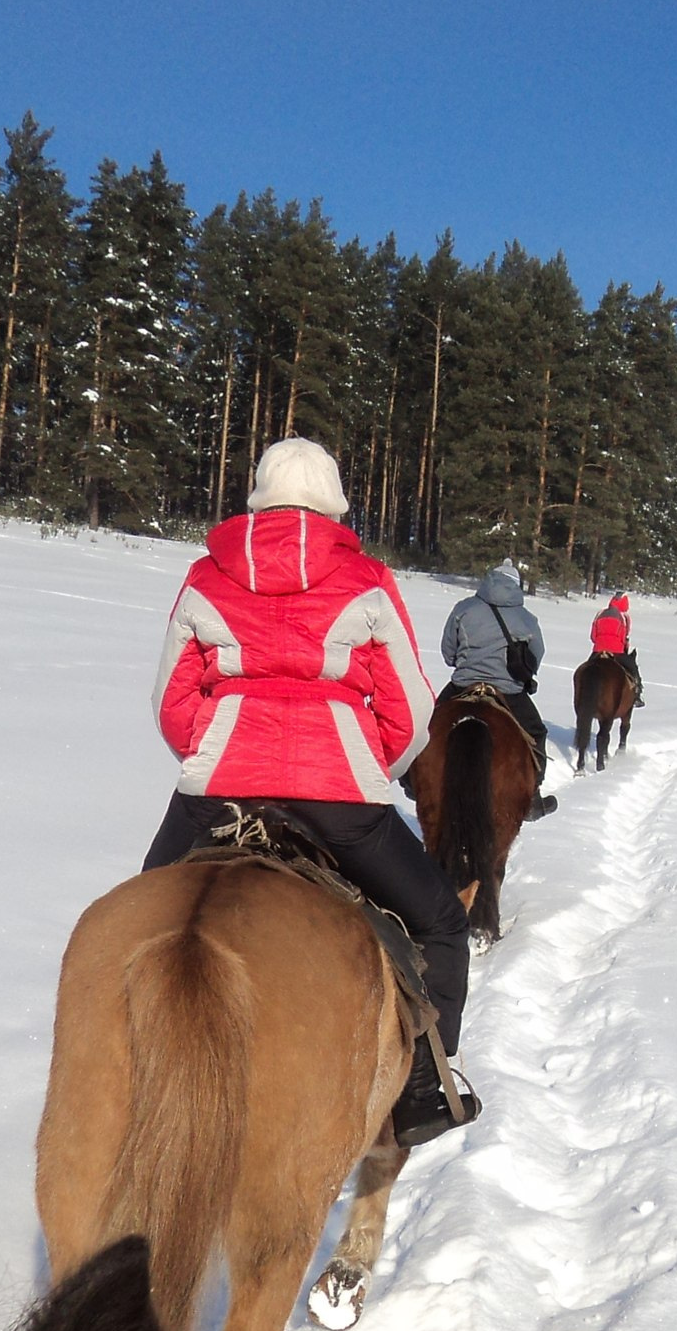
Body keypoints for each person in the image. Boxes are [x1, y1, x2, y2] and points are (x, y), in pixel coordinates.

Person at [143, 437, 477, 1147]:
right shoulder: (367, 580)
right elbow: (411, 710)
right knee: (443, 921)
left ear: (257, 493)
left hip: (218, 788)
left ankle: (129, 1070)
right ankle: (424, 1084)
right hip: (341, 798)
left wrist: (211, 750)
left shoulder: (206, 576)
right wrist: (366, 764)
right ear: (335, 500)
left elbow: (171, 699)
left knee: (142, 917)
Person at [440, 559, 555, 818]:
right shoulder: (526, 618)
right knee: (536, 733)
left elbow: (448, 651)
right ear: (517, 586)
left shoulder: (464, 608)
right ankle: (532, 796)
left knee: (427, 727)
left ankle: (413, 781)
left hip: (462, 685)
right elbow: (537, 655)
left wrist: (463, 663)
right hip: (509, 692)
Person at [589, 592, 644, 705]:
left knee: (588, 669)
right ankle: (637, 693)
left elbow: (593, 636)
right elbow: (624, 636)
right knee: (632, 668)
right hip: (616, 651)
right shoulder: (624, 617)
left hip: (598, 649)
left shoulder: (600, 613)